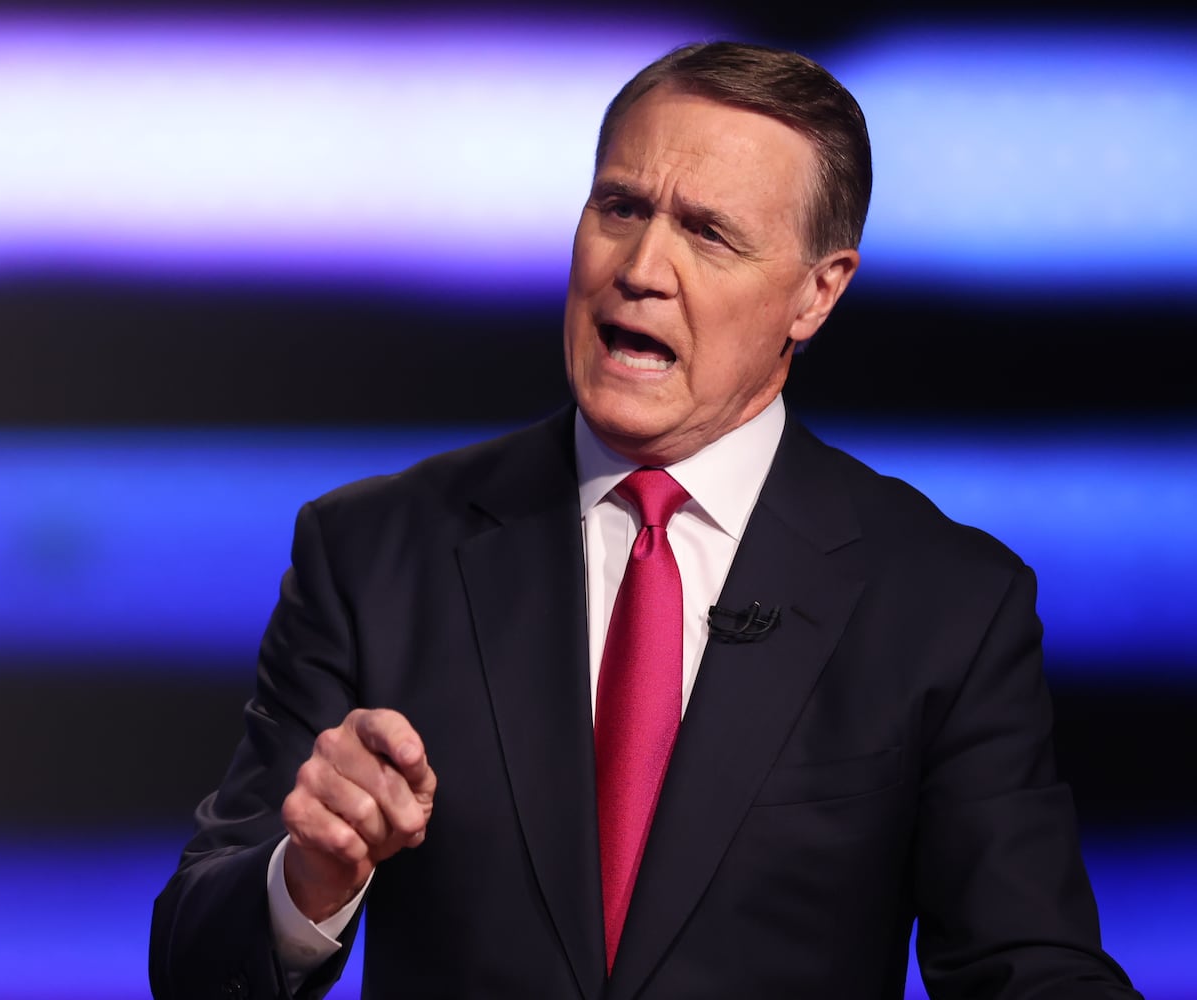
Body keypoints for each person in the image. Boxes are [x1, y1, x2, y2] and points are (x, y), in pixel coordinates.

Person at [150, 41, 1141, 999]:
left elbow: (1028, 964)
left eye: (708, 232)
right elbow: (196, 964)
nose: (641, 266)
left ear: (817, 292)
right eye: (619, 207)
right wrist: (308, 880)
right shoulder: (375, 554)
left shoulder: (946, 603)